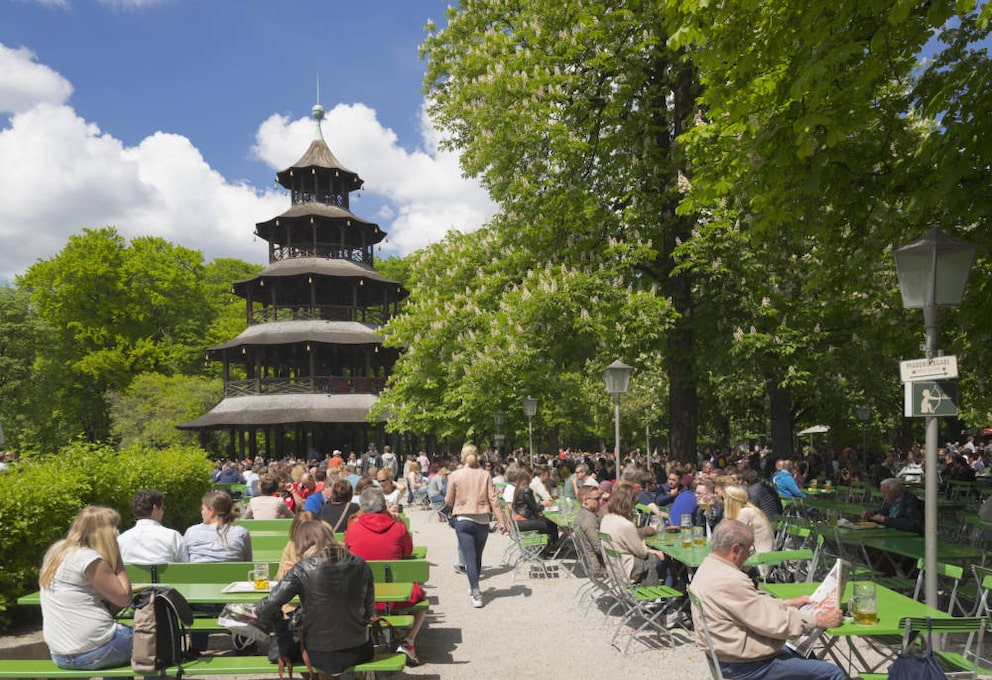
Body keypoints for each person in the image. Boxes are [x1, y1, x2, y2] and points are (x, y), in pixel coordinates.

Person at [690, 519, 845, 680]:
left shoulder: (707, 567)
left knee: (803, 653)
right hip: (745, 666)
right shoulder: (730, 579)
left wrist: (786, 603)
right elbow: (773, 623)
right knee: (832, 673)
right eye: (749, 551)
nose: (749, 557)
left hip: (725, 658)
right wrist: (818, 621)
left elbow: (749, 605)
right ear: (735, 549)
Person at [255, 521, 374, 679]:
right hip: (359, 649)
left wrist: (278, 621)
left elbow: (265, 608)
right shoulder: (360, 564)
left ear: (302, 544)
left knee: (293, 644)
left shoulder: (302, 569)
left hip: (317, 653)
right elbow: (368, 612)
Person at [39, 506, 134, 671]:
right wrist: (117, 560)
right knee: (157, 641)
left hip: (60, 654)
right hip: (94, 651)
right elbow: (124, 598)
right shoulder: (88, 558)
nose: (117, 533)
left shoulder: (57, 551)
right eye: (115, 528)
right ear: (105, 533)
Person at [345, 487, 426, 666]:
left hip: (361, 597)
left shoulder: (353, 528)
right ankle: (408, 641)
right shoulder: (397, 527)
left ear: (363, 507)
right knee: (421, 602)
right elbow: (408, 551)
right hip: (394, 597)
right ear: (384, 506)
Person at [445, 443, 509, 608]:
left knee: (469, 557)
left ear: (462, 456)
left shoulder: (455, 475)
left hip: (463, 518)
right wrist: (501, 522)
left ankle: (475, 590)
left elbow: (448, 501)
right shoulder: (485, 475)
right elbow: (494, 499)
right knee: (477, 556)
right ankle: (473, 585)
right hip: (482, 519)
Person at [600, 481, 668, 586]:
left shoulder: (606, 518)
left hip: (614, 567)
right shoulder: (626, 525)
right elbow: (642, 553)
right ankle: (659, 594)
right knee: (661, 560)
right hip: (627, 569)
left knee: (656, 557)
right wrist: (644, 544)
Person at [118, 489, 185, 564]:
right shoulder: (173, 536)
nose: (163, 512)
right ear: (155, 508)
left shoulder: (121, 540)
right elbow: (186, 566)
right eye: (163, 508)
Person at [183, 490, 252, 562]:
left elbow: (184, 562)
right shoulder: (241, 533)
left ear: (211, 512)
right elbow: (247, 562)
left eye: (203, 509)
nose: (201, 512)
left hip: (197, 573)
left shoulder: (192, 532)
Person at [511, 468, 559, 551]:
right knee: (548, 524)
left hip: (518, 521)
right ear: (527, 477)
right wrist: (543, 504)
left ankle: (547, 547)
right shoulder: (526, 490)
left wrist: (540, 504)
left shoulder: (518, 489)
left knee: (547, 522)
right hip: (524, 521)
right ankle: (546, 548)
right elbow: (536, 508)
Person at [574, 485, 605, 574]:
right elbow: (598, 548)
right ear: (585, 500)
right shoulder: (590, 519)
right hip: (597, 566)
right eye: (597, 498)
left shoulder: (580, 514)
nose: (600, 501)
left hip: (587, 562)